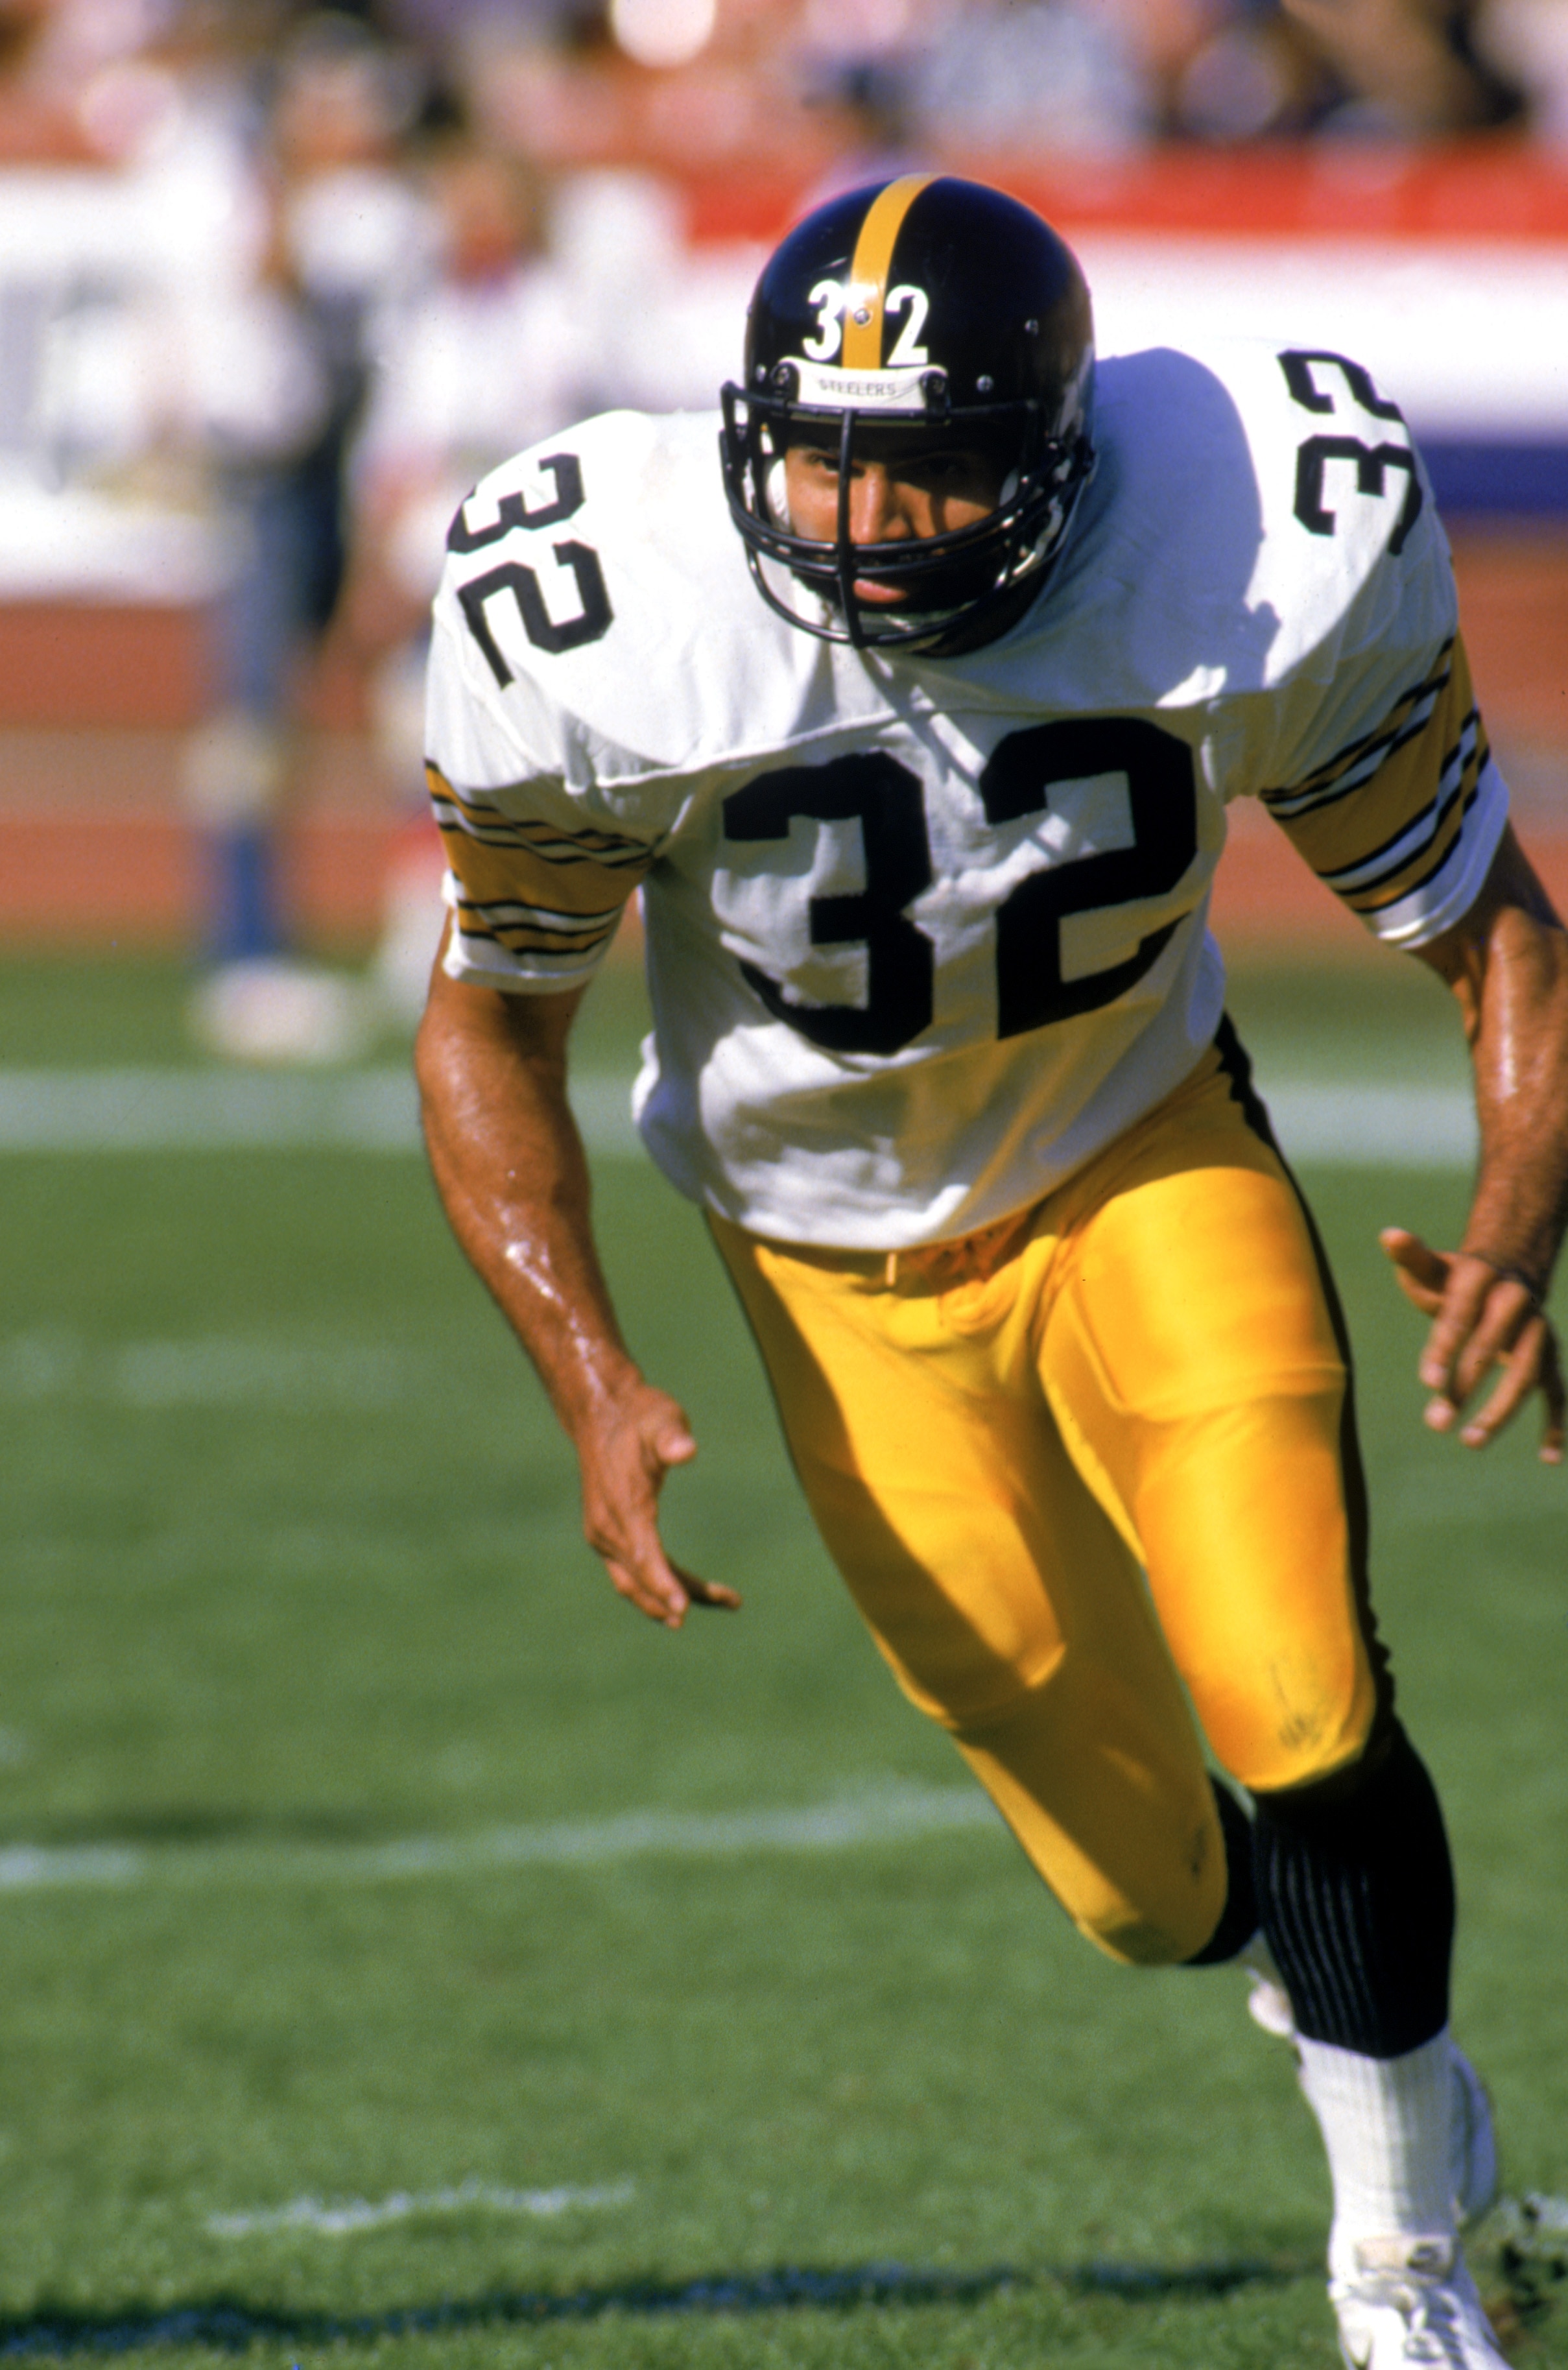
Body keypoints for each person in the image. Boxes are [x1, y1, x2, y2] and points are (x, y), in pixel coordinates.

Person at [413, 175, 1568, 2368]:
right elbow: (490, 1030)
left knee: (1300, 1697)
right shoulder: (602, 612)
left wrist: (1515, 1219)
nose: (862, 526)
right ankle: (1371, 2031)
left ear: (1052, 454)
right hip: (819, 1258)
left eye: (926, 468)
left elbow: (1491, 934)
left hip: (1137, 1151)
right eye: (819, 461)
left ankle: (1401, 2265)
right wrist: (589, 1371)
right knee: (1146, 1892)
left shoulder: (1248, 533)